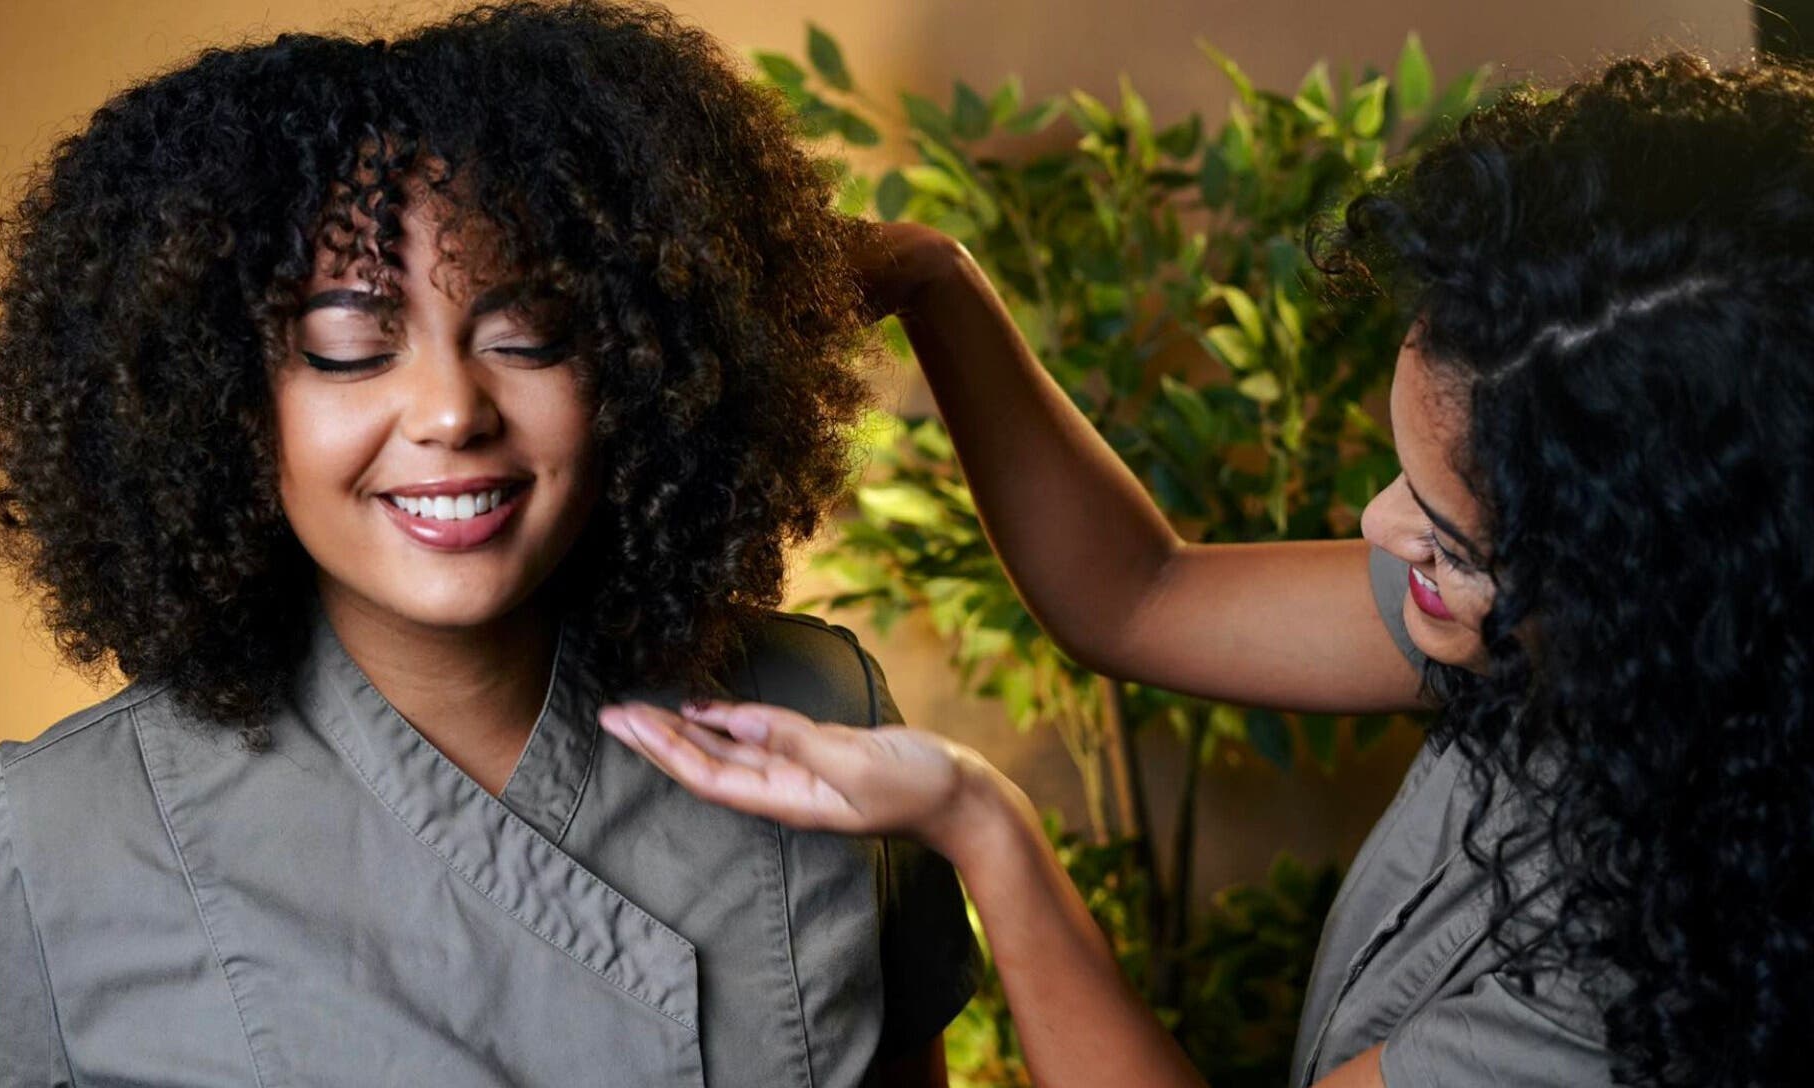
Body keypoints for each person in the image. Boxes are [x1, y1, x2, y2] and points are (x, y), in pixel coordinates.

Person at [600, 52, 1814, 1088]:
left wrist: (982, 823)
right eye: (1407, 478)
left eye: (1450, 536)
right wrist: (933, 282)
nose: (1378, 523)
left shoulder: (1633, 998)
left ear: (1652, 594)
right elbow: (1141, 593)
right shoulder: (1566, 621)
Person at [0, 5, 981, 1085]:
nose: (451, 410)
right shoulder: (51, 838)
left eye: (528, 336)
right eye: (348, 347)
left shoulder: (824, 709)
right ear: (214, 398)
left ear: (641, 359)